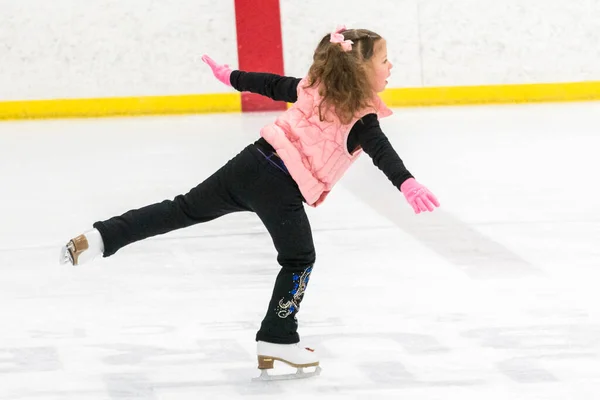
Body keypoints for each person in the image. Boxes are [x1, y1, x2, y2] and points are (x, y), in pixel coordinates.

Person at [59, 25, 439, 379]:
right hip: (281, 187)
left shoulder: (312, 86)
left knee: (182, 208)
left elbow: (271, 85)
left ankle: (99, 238)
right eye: (384, 60)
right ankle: (278, 336)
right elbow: (383, 154)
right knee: (298, 259)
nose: (391, 66)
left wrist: (230, 77)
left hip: (252, 162)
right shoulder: (362, 118)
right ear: (361, 70)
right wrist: (406, 183)